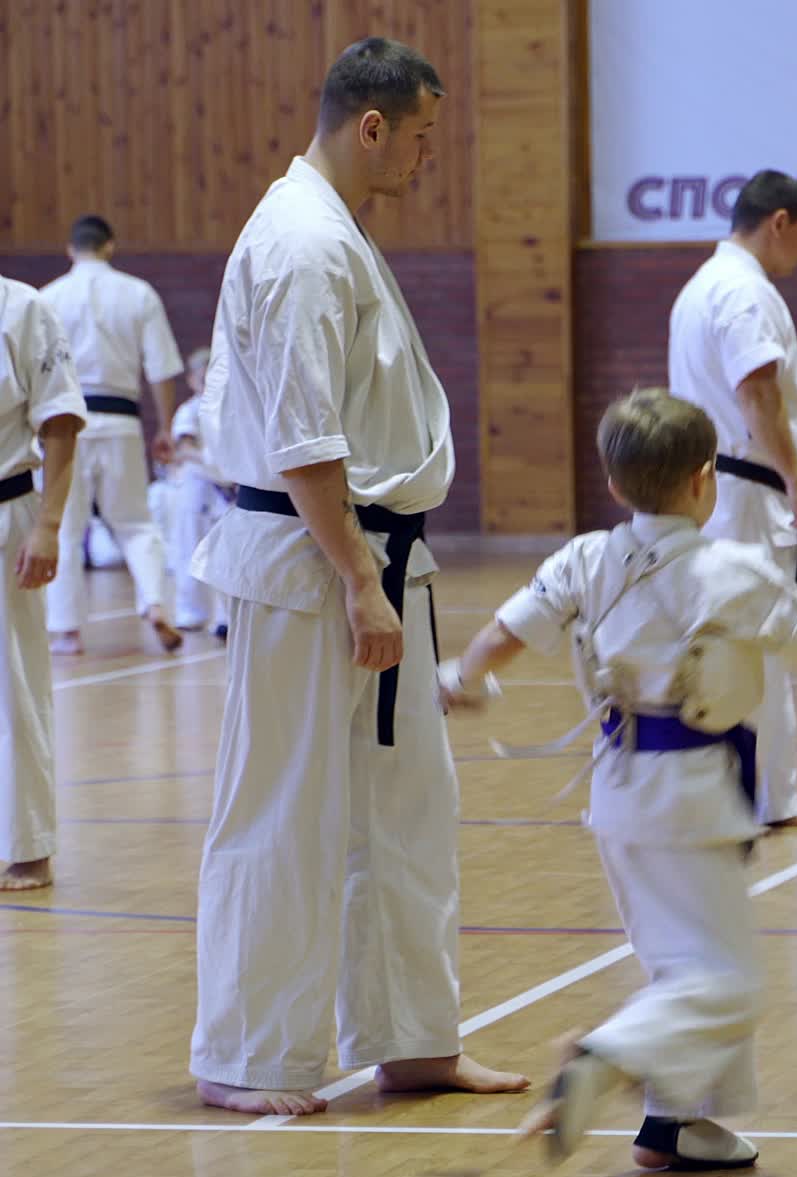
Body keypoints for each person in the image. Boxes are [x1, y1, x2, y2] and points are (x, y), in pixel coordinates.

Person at [438, 387, 797, 1167]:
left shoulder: (584, 558)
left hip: (616, 793)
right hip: (691, 795)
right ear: (706, 479)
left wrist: (460, 679)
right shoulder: (734, 571)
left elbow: (502, 632)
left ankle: (675, 1125)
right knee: (726, 984)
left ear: (614, 484)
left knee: (675, 962)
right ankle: (603, 1054)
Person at [187, 37, 528, 1115]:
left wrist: (377, 575)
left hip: (376, 553)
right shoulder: (301, 242)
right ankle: (247, 1052)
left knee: (407, 809)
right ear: (369, 125)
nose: (427, 157)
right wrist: (355, 579)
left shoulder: (336, 230)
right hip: (312, 563)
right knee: (282, 808)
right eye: (420, 136)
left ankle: (411, 1038)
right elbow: (303, 440)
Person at [668, 169, 797, 828]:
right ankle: (759, 796)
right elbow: (756, 394)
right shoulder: (742, 291)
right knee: (758, 637)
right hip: (747, 491)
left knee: (740, 636)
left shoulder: (704, 285)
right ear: (778, 222)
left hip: (719, 487)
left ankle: (755, 793)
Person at [40, 215, 184, 656]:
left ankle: (67, 630)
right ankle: (155, 603)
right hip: (122, 420)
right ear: (110, 246)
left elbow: (35, 373)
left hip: (65, 423)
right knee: (136, 523)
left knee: (65, 528)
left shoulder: (48, 298)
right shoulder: (138, 293)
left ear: (70, 249)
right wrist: (165, 427)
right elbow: (161, 367)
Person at [0, 274, 86, 890]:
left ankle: (28, 846)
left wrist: (49, 525)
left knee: (14, 684)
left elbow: (59, 420)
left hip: (7, 512)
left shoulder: (21, 307)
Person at [163, 347, 232, 635]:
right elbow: (184, 446)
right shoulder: (189, 410)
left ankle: (225, 618)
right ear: (192, 380)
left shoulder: (230, 408)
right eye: (202, 378)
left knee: (227, 555)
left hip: (228, 491)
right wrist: (210, 459)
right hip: (198, 486)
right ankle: (191, 612)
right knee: (190, 550)